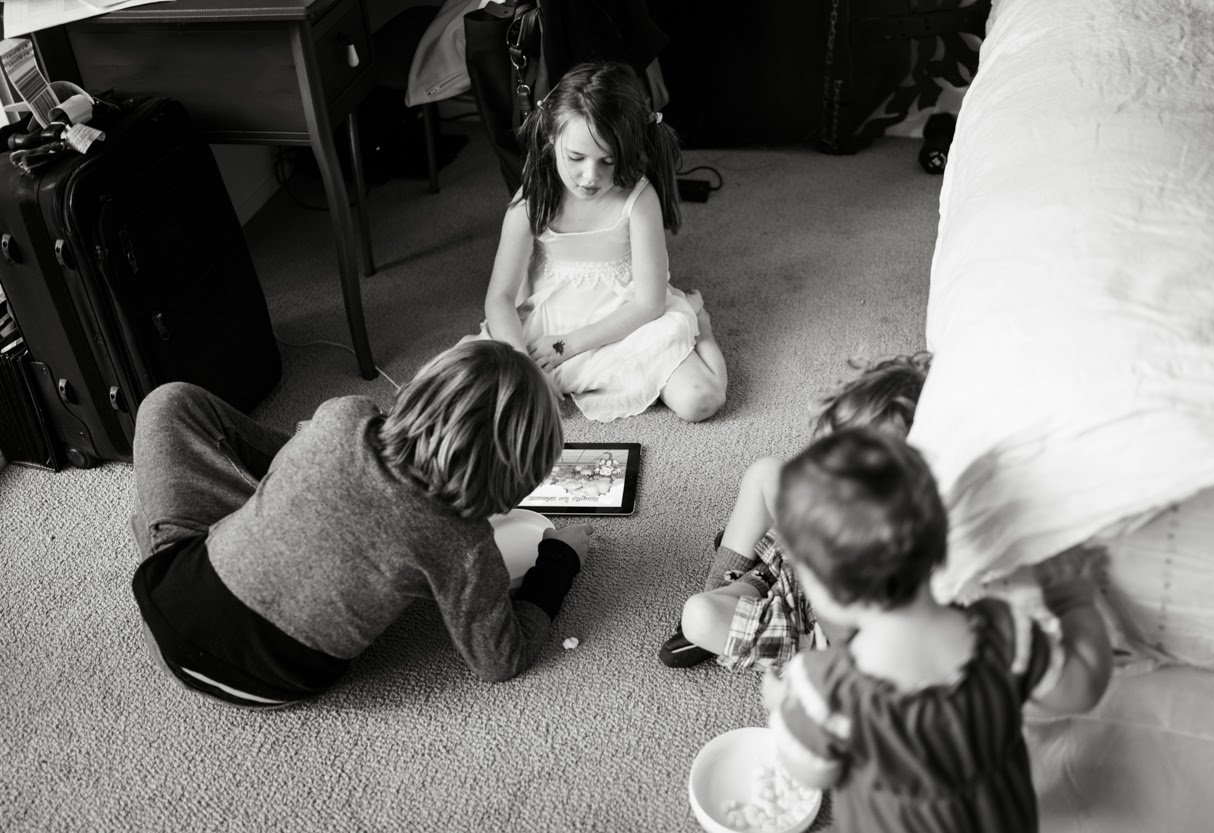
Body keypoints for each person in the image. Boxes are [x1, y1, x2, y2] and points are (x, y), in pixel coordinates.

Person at [129, 341, 592, 708]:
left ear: (419, 391)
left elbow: (290, 457)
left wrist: (313, 475)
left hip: (170, 600)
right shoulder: (467, 545)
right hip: (271, 683)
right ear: (514, 484)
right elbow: (501, 659)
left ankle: (267, 515)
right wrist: (561, 560)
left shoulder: (345, 414)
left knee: (170, 403)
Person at [761, 429, 1113, 832]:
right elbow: (1082, 687)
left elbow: (813, 774)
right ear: (940, 538)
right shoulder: (1006, 634)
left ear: (827, 592)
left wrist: (784, 710)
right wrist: (1073, 602)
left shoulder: (824, 689)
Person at [470, 60, 727, 423]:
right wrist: (523, 365)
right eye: (576, 158)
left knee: (701, 400)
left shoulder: (638, 199)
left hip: (624, 319)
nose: (590, 177)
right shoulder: (531, 200)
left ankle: (703, 331)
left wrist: (568, 345)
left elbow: (649, 303)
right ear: (551, 138)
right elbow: (499, 298)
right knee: (472, 397)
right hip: (548, 320)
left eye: (608, 161)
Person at [658, 353, 931, 669]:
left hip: (810, 619)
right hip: (796, 557)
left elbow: (841, 629)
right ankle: (736, 584)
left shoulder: (903, 545)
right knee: (766, 471)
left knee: (700, 615)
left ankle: (728, 606)